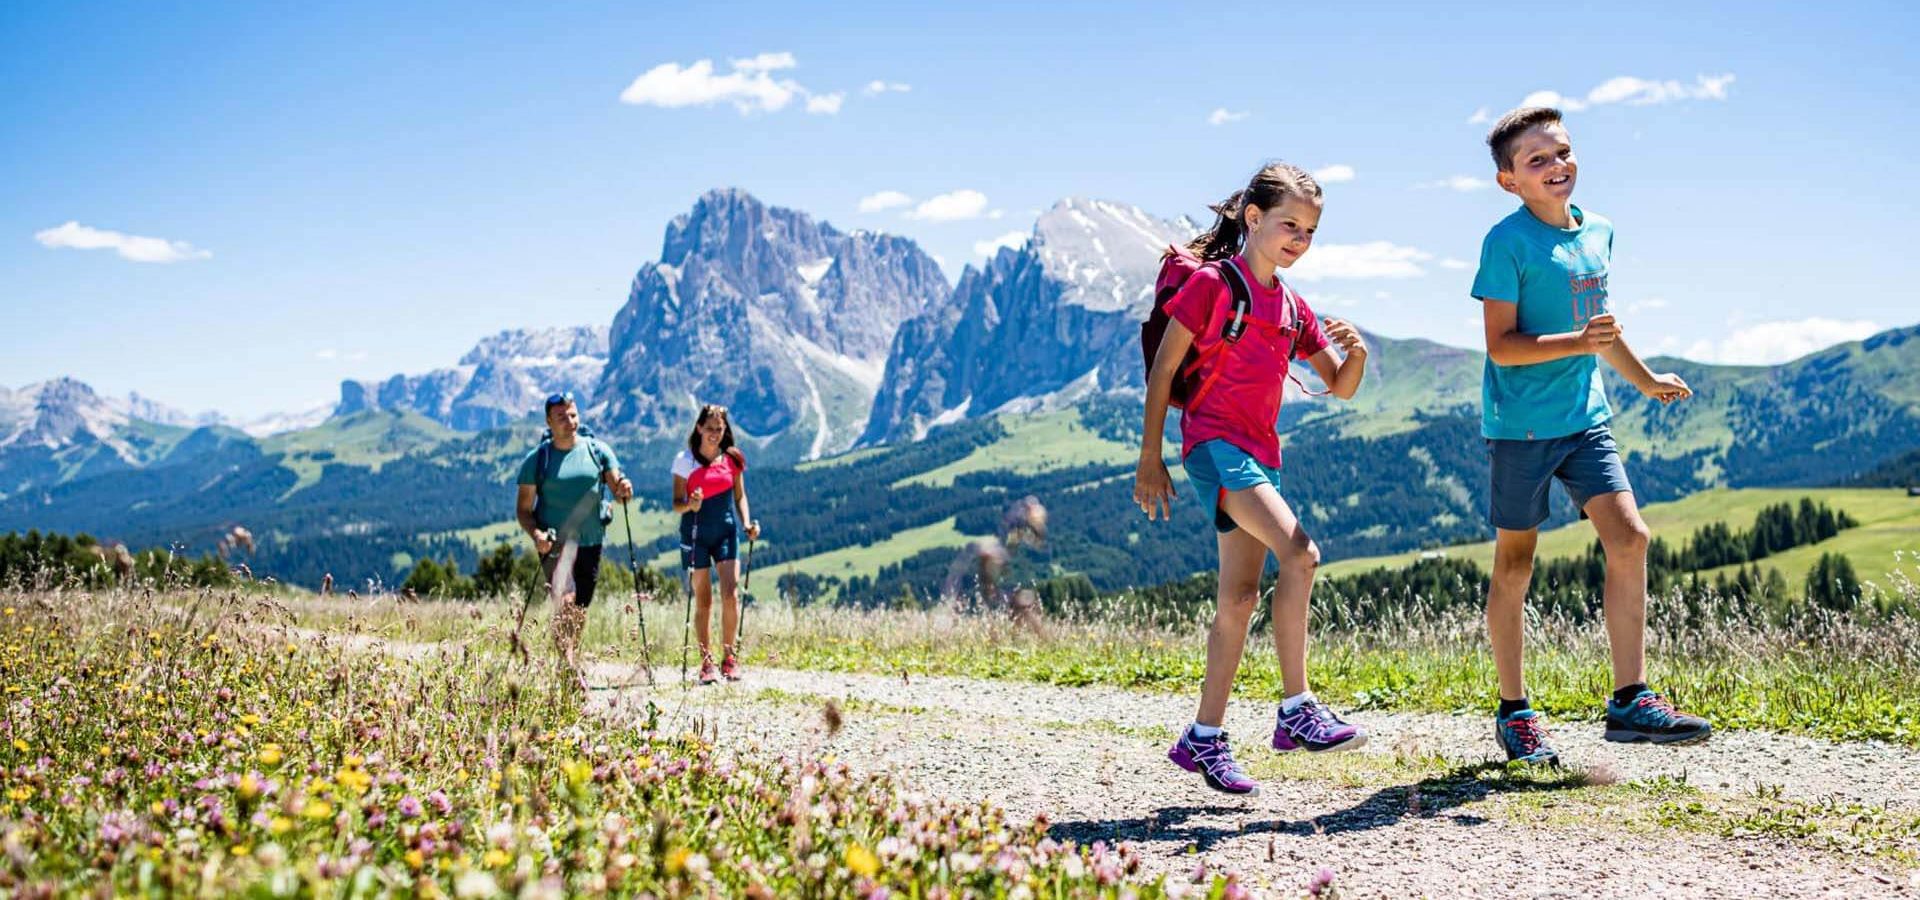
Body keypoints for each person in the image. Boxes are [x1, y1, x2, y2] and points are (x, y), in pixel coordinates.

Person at [1472, 107, 1710, 765]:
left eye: (1563, 152)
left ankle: (1629, 700)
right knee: (1517, 562)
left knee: (1630, 536)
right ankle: (1515, 711)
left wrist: (1643, 378)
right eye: (1537, 160)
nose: (1556, 167)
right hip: (1521, 428)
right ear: (1509, 180)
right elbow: (1501, 347)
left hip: (1586, 419)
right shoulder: (1507, 242)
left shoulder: (1598, 231)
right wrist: (1578, 342)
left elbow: (1599, 328)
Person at [1134, 162, 1371, 796]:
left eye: (1311, 230)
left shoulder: (1292, 305)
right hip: (1213, 446)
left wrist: (1359, 355)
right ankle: (1297, 710)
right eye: (1289, 224)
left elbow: (1338, 388)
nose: (1300, 238)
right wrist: (1150, 455)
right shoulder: (1214, 284)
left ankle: (1203, 737)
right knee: (1300, 551)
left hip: (1259, 455)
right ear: (1253, 217)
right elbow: (1164, 369)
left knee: (1239, 599)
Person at [515, 392, 633, 688]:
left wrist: (623, 490)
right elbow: (524, 510)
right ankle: (569, 668)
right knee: (565, 600)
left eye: (573, 415)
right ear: (548, 422)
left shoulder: (598, 451)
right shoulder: (537, 460)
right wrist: (537, 534)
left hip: (591, 540)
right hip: (554, 544)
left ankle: (569, 658)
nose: (570, 422)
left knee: (579, 607)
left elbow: (617, 488)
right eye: (561, 417)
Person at [672, 404, 761, 685]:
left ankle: (729, 658)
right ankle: (706, 662)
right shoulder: (685, 461)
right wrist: (691, 504)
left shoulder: (732, 459)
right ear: (699, 428)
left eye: (719, 429)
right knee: (704, 600)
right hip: (695, 534)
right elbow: (676, 505)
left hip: (725, 532)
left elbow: (740, 496)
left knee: (730, 595)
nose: (714, 434)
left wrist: (747, 522)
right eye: (710, 429)